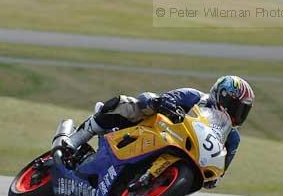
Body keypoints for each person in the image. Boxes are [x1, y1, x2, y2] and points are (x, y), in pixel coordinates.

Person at [59, 75, 255, 188]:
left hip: (184, 159)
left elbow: (221, 167)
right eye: (236, 106)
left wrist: (214, 177)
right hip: (153, 132)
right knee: (132, 103)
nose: (238, 114)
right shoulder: (194, 96)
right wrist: (162, 103)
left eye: (243, 110)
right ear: (222, 96)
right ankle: (74, 140)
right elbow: (165, 98)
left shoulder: (233, 137)